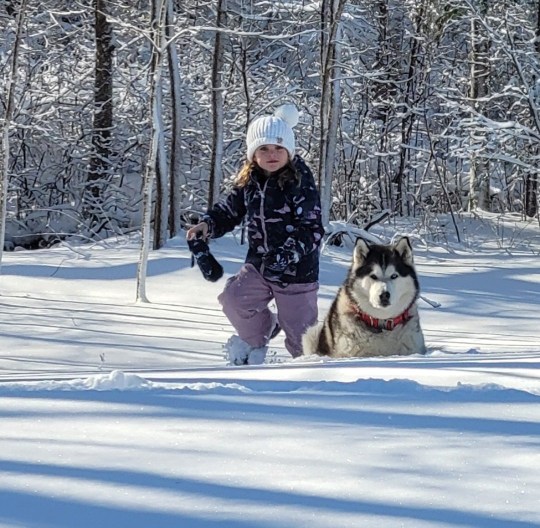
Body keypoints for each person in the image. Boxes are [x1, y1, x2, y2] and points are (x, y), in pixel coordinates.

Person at [186, 103, 324, 365]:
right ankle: (263, 332)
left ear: (289, 151)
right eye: (264, 148)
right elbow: (229, 211)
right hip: (259, 265)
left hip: (297, 273)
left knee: (302, 340)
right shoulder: (249, 182)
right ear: (253, 153)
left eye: (278, 148)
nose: (272, 154)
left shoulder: (300, 181)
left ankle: (309, 379)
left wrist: (289, 253)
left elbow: (312, 228)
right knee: (234, 300)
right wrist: (207, 225)